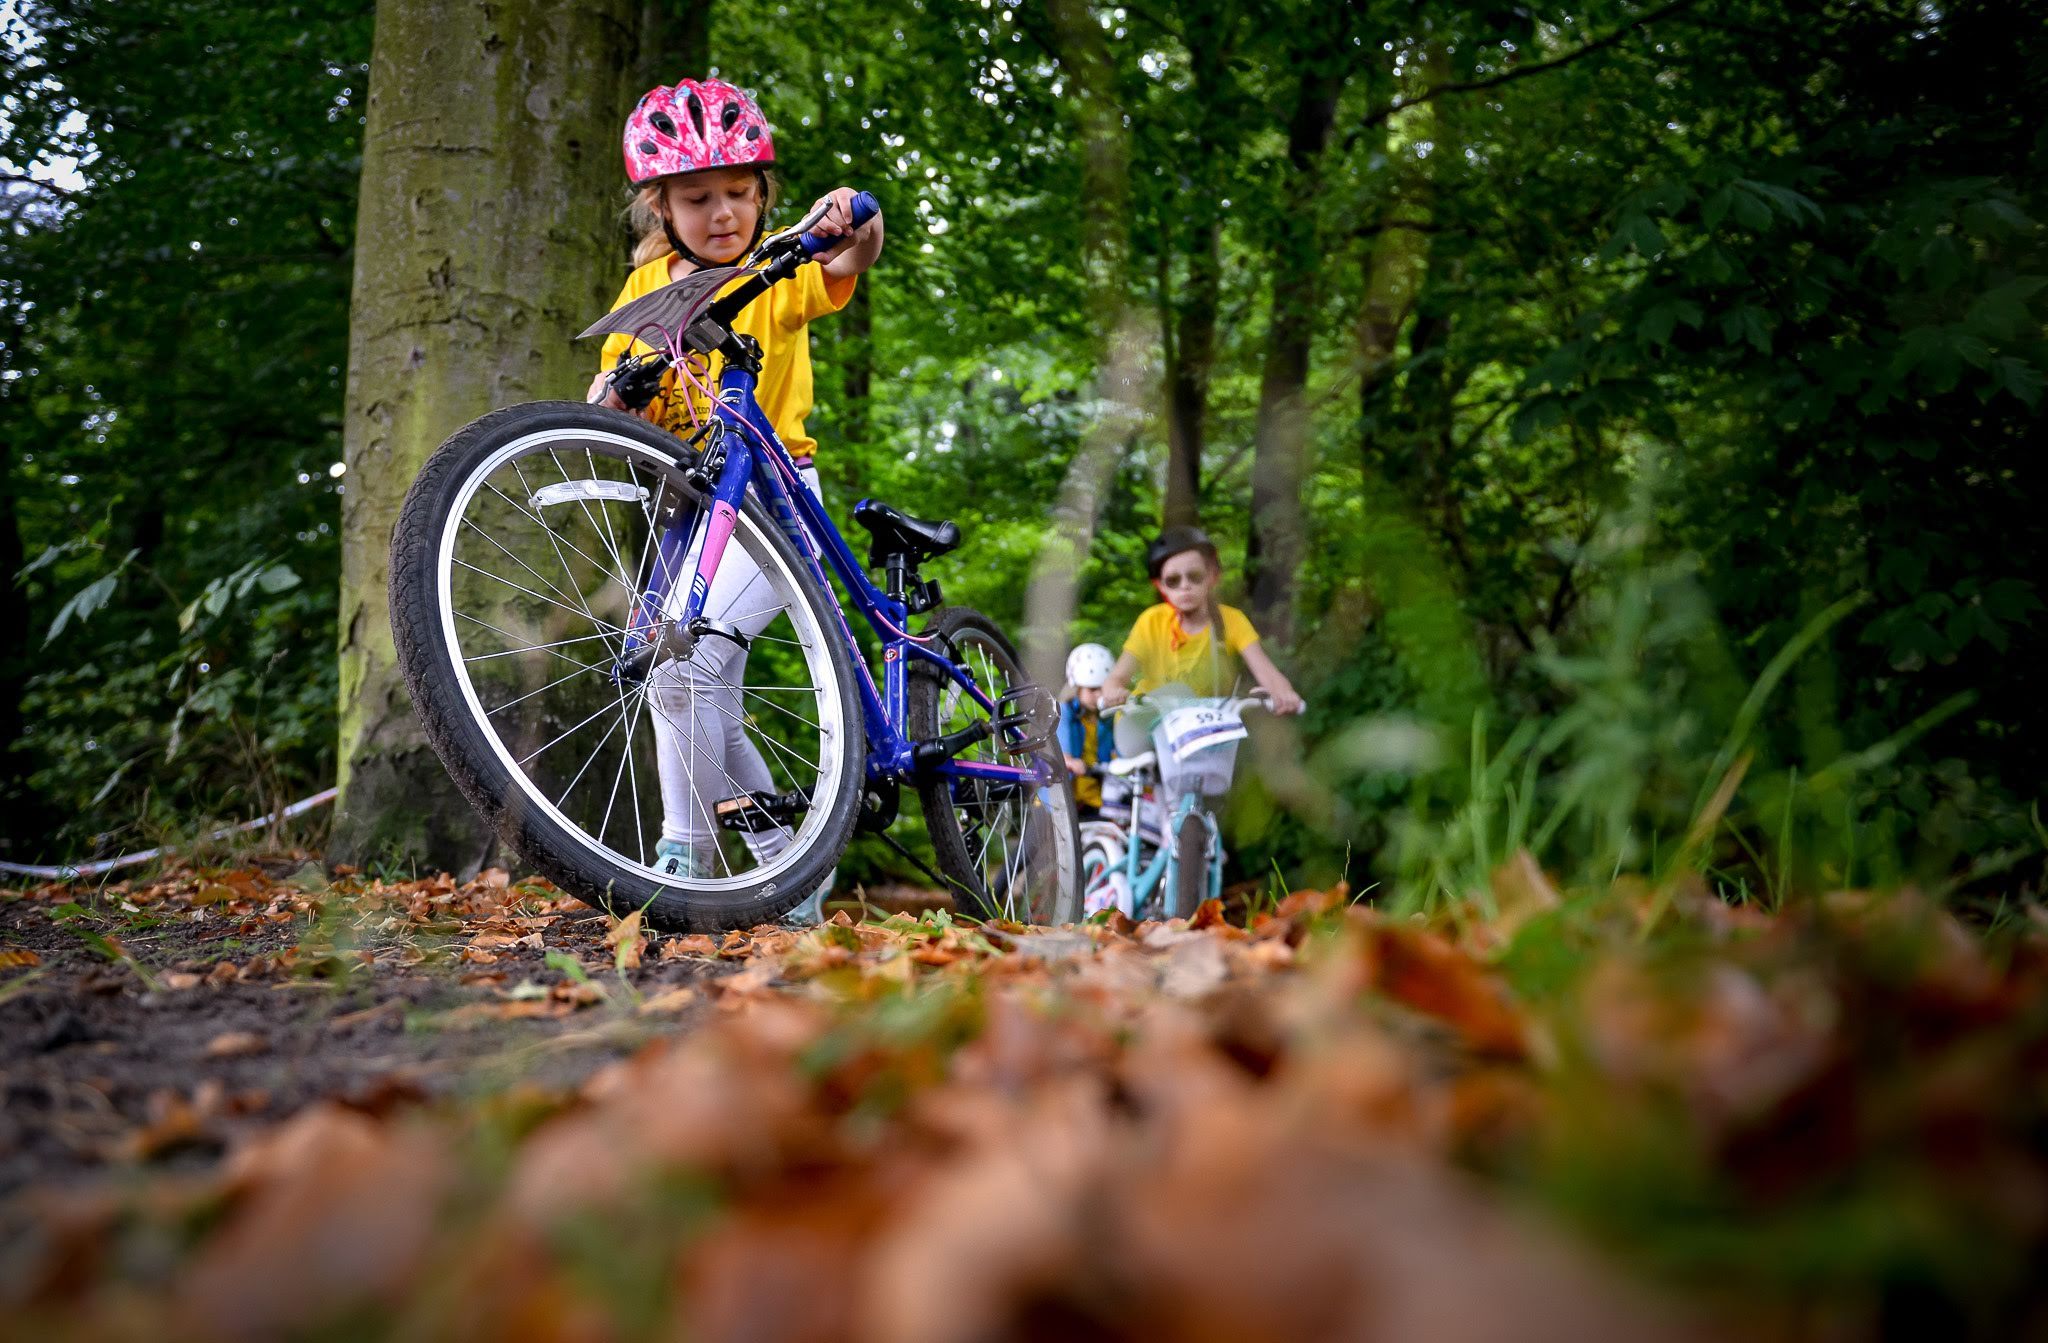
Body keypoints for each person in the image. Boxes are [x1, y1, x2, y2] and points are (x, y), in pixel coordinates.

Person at [585, 78, 884, 918]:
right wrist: (611, 393)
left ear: (763, 197)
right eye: (698, 198)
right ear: (661, 208)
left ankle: (680, 868)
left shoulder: (775, 267)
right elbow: (616, 390)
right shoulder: (644, 292)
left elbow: (856, 254)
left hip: (774, 490)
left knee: (691, 667)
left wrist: (851, 216)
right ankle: (786, 865)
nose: (724, 214)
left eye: (740, 194)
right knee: (687, 686)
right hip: (694, 502)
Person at [1099, 526, 1304, 765]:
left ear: (1212, 576)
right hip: (1152, 732)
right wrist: (1113, 691)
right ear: (1160, 586)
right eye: (1173, 580)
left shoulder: (1232, 621)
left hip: (1206, 735)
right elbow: (1117, 677)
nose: (1185, 586)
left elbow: (1265, 670)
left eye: (1194, 576)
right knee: (1180, 693)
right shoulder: (1152, 622)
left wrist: (1284, 693)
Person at [1058, 643, 1117, 818]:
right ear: (1077, 688)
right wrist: (1071, 762)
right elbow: (1063, 756)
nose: (1099, 695)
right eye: (1092, 689)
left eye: (1102, 688)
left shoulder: (1109, 719)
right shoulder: (1064, 712)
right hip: (1063, 800)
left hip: (1096, 800)